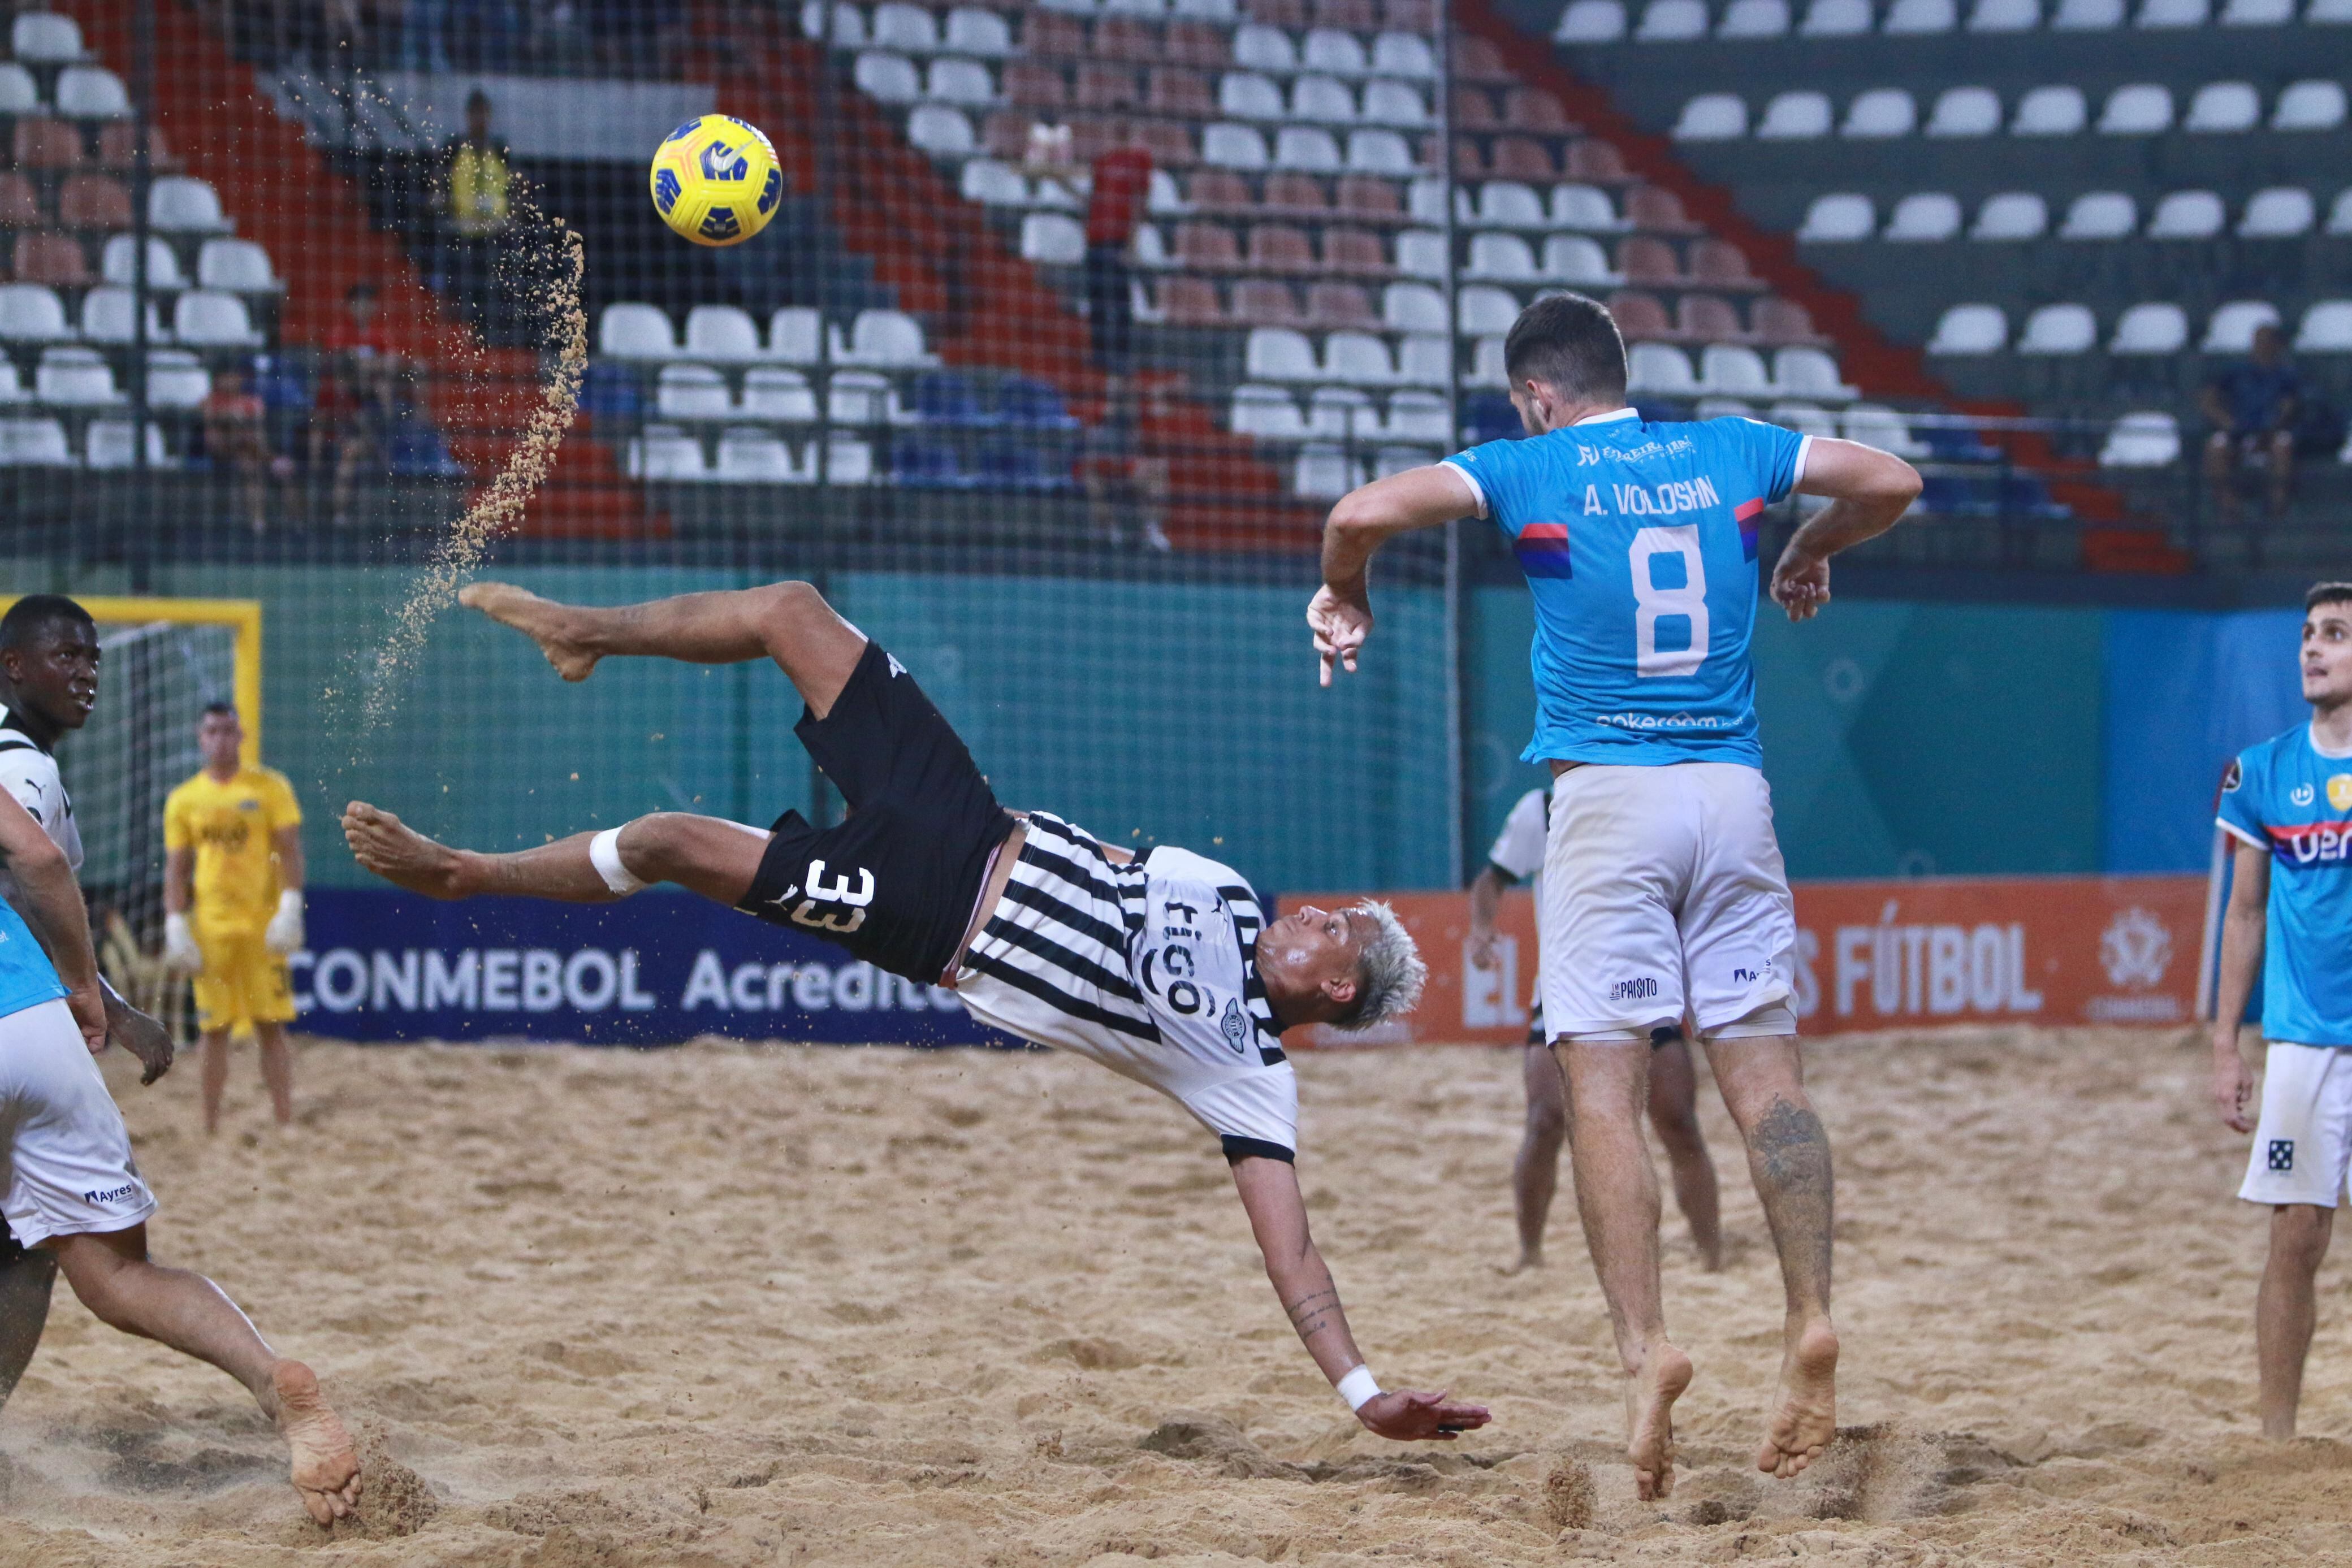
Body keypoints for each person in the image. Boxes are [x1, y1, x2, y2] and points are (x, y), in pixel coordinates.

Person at [340, 578, 1489, 1445]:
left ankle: (462, 873)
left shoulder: (1247, 1073)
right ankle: (585, 631)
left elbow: (1292, 1251)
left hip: (932, 917)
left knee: (666, 841)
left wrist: (1360, 1391)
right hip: (969, 815)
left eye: (1334, 927)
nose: (1317, 913)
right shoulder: (1234, 894)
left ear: (1335, 988)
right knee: (793, 610)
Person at [1306, 293, 1922, 1499]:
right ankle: (1808, 1316)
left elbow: (1358, 512)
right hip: (1731, 795)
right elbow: (1891, 479)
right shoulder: (1730, 447)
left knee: (1601, 1081)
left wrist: (1351, 590)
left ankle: (1645, 1347)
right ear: (1622, 374)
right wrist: (1807, 549)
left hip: (1607, 799)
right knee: (1765, 1081)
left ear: (1539, 394)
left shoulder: (1529, 464)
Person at [0, 595, 359, 1524]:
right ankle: (275, 1385)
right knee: (97, 1269)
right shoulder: (27, 768)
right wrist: (102, 1000)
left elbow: (35, 866)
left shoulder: (26, 773)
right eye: (63, 653)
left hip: (49, 995)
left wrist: (101, 993)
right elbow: (39, 878)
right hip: (37, 1026)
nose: (86, 668)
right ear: (10, 665)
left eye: (92, 655)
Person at [2208, 581, 2352, 1440]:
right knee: (2295, 1236)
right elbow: (2245, 912)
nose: (2312, 647)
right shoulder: (2260, 769)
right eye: (2307, 633)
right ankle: (2277, 1437)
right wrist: (2226, 1045)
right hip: (2303, 1041)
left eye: (2335, 633)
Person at [1469, 785, 1720, 1275]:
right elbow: (1490, 880)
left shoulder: (1654, 801)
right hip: (1566, 992)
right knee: (1545, 1122)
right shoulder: (1542, 807)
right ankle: (1531, 1255)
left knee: (1679, 1123)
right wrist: (1481, 927)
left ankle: (1713, 1256)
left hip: (1644, 986)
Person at [162, 702, 307, 1136]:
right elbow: (177, 867)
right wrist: (175, 920)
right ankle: (210, 1126)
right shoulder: (185, 799)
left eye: (229, 731)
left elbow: (290, 849)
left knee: (271, 1026)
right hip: (212, 930)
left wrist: (291, 904)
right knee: (214, 1031)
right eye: (213, 731)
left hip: (263, 929)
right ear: (200, 737)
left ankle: (285, 1121)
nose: (221, 739)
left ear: (241, 736)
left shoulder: (270, 787)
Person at [1029, 116, 1151, 376]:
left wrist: (1132, 242)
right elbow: (1092, 200)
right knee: (1097, 299)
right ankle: (1100, 354)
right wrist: (1064, 184)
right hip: (1096, 239)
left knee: (1119, 300)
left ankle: (1121, 356)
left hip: (1118, 240)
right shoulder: (1103, 161)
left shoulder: (1139, 161)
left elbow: (1140, 202)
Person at [2200, 324, 2301, 531]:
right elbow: (2208, 399)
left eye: (2266, 341)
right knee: (2215, 446)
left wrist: (2275, 424)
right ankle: (2230, 507)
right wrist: (2225, 421)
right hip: (2237, 431)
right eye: (2257, 341)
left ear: (2276, 345)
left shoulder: (2285, 374)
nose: (2261, 346)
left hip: (2270, 433)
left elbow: (2290, 405)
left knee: (2283, 445)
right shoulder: (2236, 371)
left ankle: (2277, 506)